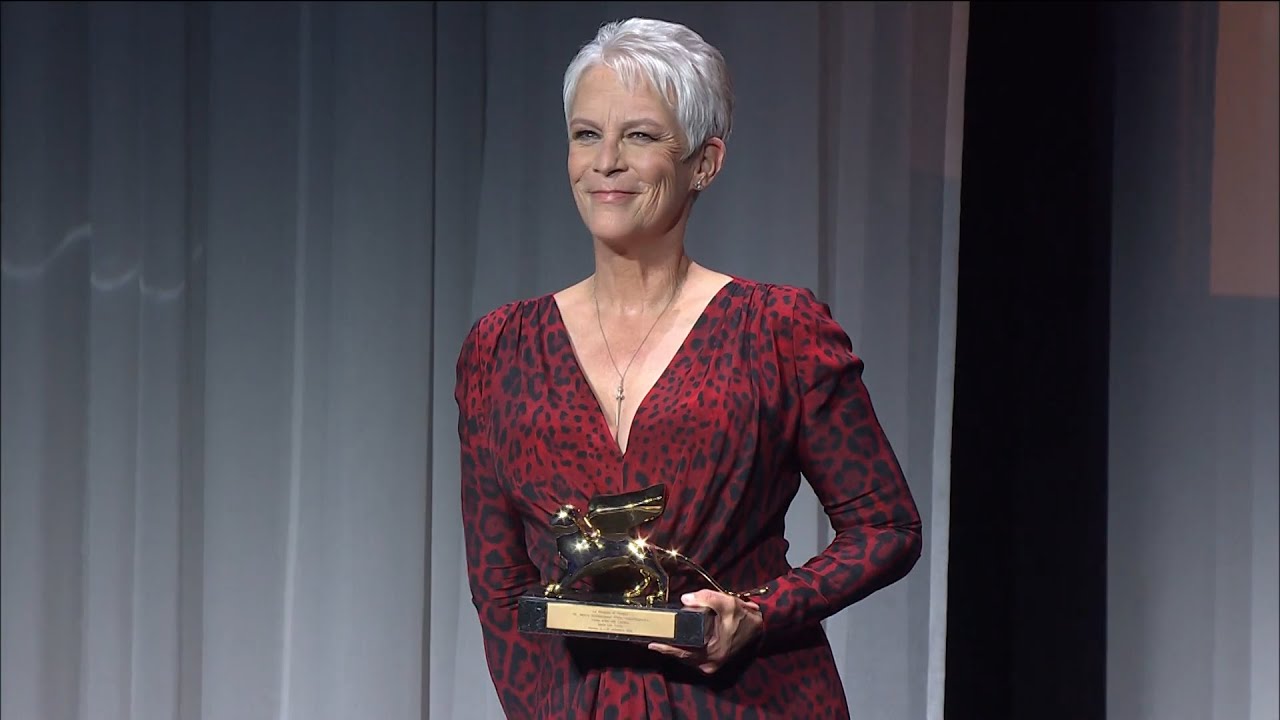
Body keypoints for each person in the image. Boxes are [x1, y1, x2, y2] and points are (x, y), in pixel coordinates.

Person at [455, 16, 922, 719]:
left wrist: (759, 613)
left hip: (751, 703)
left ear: (704, 162)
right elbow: (498, 580)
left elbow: (887, 527)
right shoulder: (500, 348)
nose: (605, 160)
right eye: (587, 134)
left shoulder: (779, 332)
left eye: (638, 136)